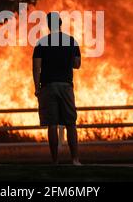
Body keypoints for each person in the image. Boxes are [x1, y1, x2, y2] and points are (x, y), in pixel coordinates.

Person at [32, 12, 81, 165]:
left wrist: (37, 87)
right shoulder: (71, 41)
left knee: (52, 124)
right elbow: (77, 64)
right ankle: (75, 160)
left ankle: (55, 161)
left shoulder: (41, 43)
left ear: (48, 25)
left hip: (47, 86)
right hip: (66, 85)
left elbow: (36, 67)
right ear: (60, 24)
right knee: (70, 123)